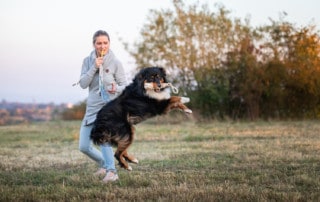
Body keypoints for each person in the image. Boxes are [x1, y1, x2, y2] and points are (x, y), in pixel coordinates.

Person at [78, 30, 127, 183]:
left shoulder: (116, 62)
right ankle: (104, 165)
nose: (102, 46)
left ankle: (112, 173)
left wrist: (116, 89)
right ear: (94, 44)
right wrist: (94, 66)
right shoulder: (87, 61)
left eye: (105, 42)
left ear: (109, 44)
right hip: (92, 107)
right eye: (99, 43)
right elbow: (83, 84)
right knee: (84, 146)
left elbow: (124, 86)